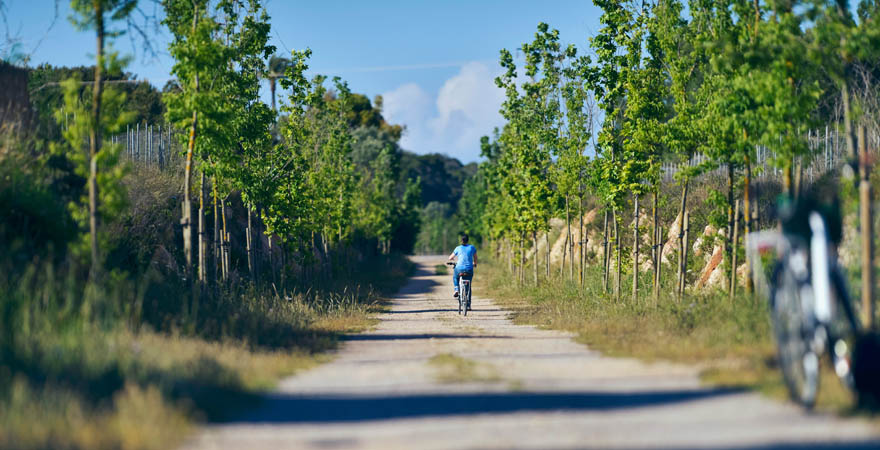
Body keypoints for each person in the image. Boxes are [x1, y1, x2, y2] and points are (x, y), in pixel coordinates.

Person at [447, 233, 477, 298]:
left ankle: (456, 289)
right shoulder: (472, 247)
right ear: (468, 240)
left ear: (461, 240)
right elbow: (475, 257)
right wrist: (474, 263)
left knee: (455, 277)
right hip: (469, 269)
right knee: (468, 286)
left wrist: (453, 259)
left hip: (459, 268)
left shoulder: (458, 248)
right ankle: (468, 305)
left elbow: (450, 257)